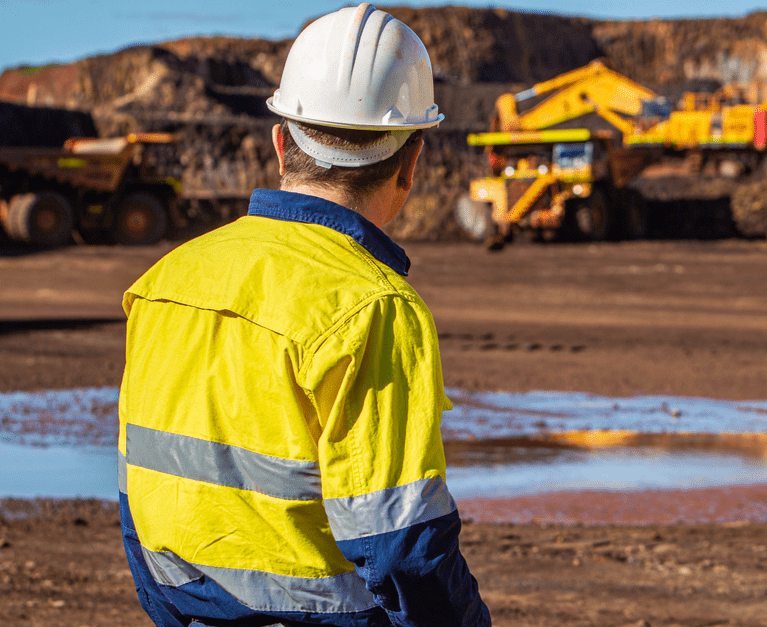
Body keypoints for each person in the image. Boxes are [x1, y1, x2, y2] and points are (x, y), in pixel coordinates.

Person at [116, 5, 490, 627]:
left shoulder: (166, 281)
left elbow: (138, 503)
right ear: (411, 160)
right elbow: (398, 545)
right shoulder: (372, 307)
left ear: (280, 140)